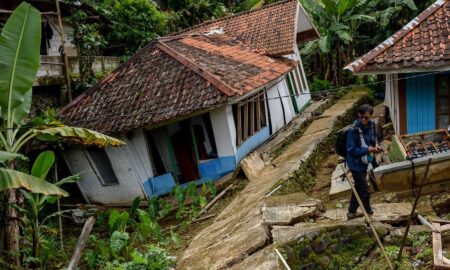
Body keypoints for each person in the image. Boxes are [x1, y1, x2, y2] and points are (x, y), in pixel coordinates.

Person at [346, 104, 382, 220]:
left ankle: (351, 212)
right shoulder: (353, 130)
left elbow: (374, 137)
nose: (363, 120)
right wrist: (368, 149)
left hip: (364, 163)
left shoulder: (372, 125)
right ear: (358, 115)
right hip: (355, 164)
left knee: (358, 187)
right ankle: (369, 214)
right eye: (361, 117)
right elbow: (351, 149)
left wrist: (375, 145)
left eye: (366, 117)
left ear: (371, 116)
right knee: (365, 190)